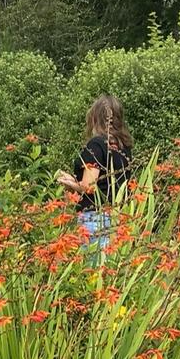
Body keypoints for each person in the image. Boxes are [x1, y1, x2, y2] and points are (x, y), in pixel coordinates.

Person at [55, 95, 133, 256]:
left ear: (95, 117)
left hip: (95, 217)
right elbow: (107, 183)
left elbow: (89, 187)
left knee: (92, 271)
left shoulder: (96, 144)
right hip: (118, 216)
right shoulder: (124, 147)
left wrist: (69, 183)